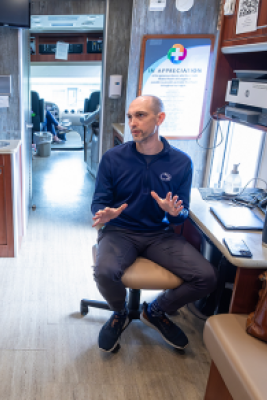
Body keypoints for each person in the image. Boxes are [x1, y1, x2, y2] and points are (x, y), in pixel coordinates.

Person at [90, 95, 217, 353]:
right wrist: (105, 213)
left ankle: (157, 311)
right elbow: (99, 201)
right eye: (130, 117)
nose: (132, 123)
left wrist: (173, 213)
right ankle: (119, 312)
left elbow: (182, 214)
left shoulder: (181, 163)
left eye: (141, 116)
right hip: (120, 231)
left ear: (160, 119)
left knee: (207, 277)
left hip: (159, 234)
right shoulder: (113, 158)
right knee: (104, 271)